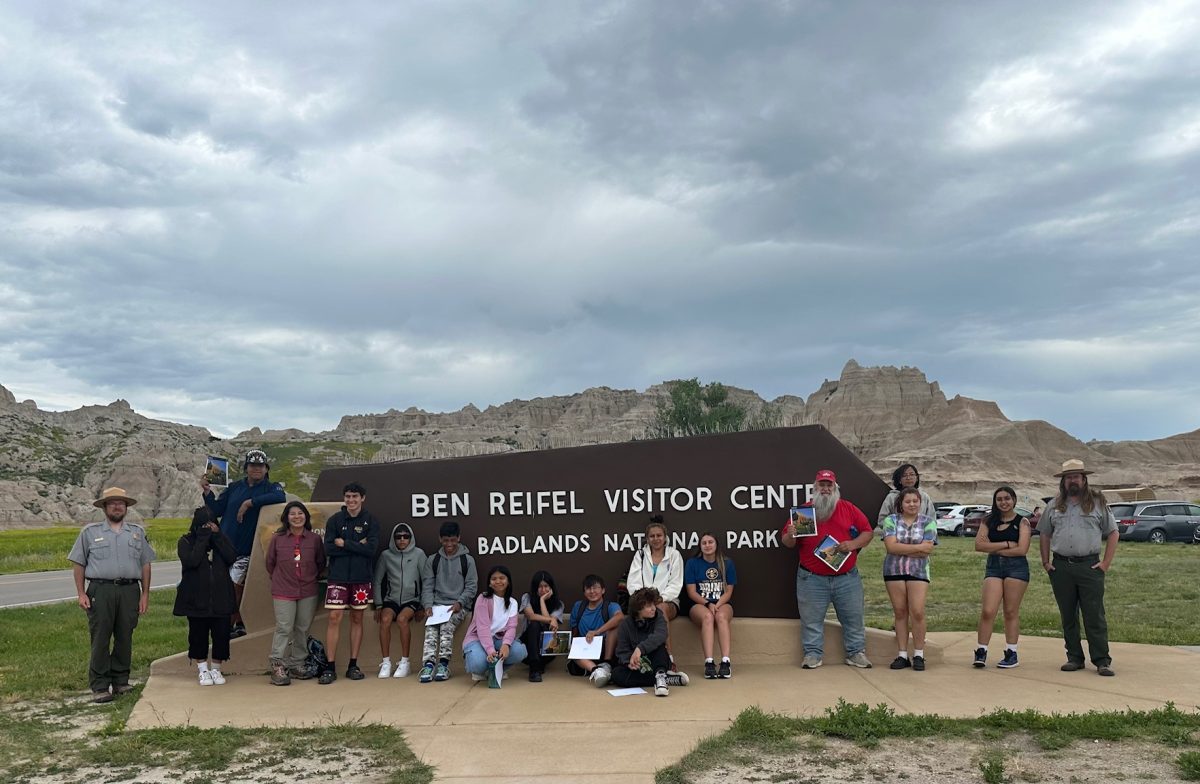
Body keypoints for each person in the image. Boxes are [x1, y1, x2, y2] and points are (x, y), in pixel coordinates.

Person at [68, 487, 156, 703]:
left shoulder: (136, 532)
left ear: (126, 507)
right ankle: (99, 685)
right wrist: (81, 593)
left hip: (129, 590)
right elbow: (79, 563)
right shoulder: (90, 532)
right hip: (101, 590)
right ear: (104, 507)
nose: (117, 506)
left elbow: (145, 564)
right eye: (112, 503)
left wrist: (145, 594)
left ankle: (120, 681)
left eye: (121, 503)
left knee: (125, 636)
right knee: (100, 637)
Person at [780, 469, 874, 670]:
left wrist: (853, 544)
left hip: (846, 577)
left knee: (854, 618)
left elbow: (868, 532)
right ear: (815, 488)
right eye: (821, 485)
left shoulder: (848, 508)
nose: (825, 489)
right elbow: (787, 543)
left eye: (829, 485)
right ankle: (812, 654)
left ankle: (856, 653)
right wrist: (791, 534)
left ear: (835, 488)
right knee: (811, 620)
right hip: (811, 578)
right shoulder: (804, 512)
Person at [1039, 459, 1119, 676]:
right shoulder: (1054, 505)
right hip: (1061, 567)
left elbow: (1113, 533)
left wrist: (1105, 563)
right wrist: (1046, 562)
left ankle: (1102, 660)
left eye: (1076, 476)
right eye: (1068, 477)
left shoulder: (1098, 503)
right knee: (1068, 615)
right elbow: (1044, 533)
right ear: (1063, 482)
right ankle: (1074, 657)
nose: (1072, 480)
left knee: (1094, 614)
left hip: (1089, 567)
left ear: (1084, 480)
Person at [200, 449, 285, 638]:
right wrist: (207, 492)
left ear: (266, 469)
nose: (256, 469)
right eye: (252, 465)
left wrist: (249, 503)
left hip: (247, 550)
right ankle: (233, 625)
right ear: (246, 468)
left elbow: (280, 497)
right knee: (220, 589)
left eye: (260, 466)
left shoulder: (272, 487)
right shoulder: (235, 487)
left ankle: (228, 628)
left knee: (234, 589)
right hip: (224, 547)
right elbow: (217, 509)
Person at [319, 482, 380, 685]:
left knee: (357, 618)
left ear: (362, 498)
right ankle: (330, 666)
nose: (351, 500)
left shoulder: (370, 520)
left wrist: (344, 543)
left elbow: (371, 549)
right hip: (338, 577)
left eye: (355, 496)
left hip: (361, 578)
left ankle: (353, 665)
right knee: (334, 618)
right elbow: (329, 549)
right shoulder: (335, 520)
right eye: (348, 497)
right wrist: (357, 545)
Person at [174, 506, 237, 685]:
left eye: (211, 524)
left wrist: (217, 536)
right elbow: (191, 561)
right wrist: (201, 539)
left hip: (221, 596)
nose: (207, 528)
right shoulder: (185, 541)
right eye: (203, 525)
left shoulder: (220, 539)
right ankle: (202, 668)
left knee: (222, 634)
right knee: (198, 634)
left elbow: (231, 556)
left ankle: (216, 668)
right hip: (196, 597)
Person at [265, 500, 326, 685]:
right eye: (293, 514)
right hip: (284, 590)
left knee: (302, 628)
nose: (297, 517)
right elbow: (270, 563)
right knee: (284, 627)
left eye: (300, 513)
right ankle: (277, 665)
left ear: (306, 517)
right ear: (286, 518)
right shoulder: (278, 538)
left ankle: (297, 663)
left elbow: (321, 562)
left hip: (308, 590)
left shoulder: (314, 539)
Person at [973, 486, 1031, 669]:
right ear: (995, 502)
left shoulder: (1023, 522)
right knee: (988, 610)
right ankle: (981, 650)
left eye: (1007, 498)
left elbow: (1022, 549)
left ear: (1014, 500)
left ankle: (1011, 652)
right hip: (994, 568)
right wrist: (1006, 544)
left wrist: (994, 547)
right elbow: (979, 545)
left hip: (1017, 569)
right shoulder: (988, 520)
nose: (1003, 502)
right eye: (999, 499)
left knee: (1010, 611)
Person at [881, 488, 936, 671]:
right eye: (908, 501)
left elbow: (928, 549)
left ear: (920, 502)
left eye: (915, 501)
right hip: (894, 571)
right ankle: (902, 654)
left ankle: (919, 653)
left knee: (917, 611)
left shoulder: (928, 522)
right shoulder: (891, 520)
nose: (912, 504)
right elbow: (890, 547)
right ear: (901, 504)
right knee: (900, 611)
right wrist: (916, 548)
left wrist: (900, 546)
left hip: (918, 572)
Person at [419, 520, 478, 683]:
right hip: (437, 606)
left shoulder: (467, 560)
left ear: (458, 538)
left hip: (458, 606)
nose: (449, 544)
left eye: (452, 540)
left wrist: (460, 602)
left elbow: (471, 587)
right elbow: (428, 585)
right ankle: (428, 665)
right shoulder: (433, 560)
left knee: (446, 627)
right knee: (430, 630)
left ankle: (444, 665)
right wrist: (428, 605)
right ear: (440, 539)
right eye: (446, 540)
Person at [625, 514, 684, 669]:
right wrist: (645, 601)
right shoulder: (640, 555)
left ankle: (668, 658)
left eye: (659, 535)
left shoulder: (674, 555)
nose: (656, 539)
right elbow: (633, 582)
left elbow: (676, 584)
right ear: (647, 539)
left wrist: (659, 599)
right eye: (652, 536)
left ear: (665, 538)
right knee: (649, 610)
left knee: (660, 609)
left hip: (668, 601)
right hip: (643, 602)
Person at [612, 587, 689, 697]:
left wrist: (640, 649)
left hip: (657, 661)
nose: (653, 608)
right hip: (639, 666)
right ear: (638, 609)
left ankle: (661, 677)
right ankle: (665, 679)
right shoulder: (626, 624)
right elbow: (622, 650)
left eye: (654, 604)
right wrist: (629, 662)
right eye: (649, 606)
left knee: (660, 647)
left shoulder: (659, 617)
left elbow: (661, 635)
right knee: (616, 675)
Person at [373, 522, 427, 679]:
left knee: (403, 619)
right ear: (394, 539)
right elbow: (377, 580)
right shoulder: (386, 555)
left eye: (405, 537)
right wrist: (378, 603)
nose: (402, 540)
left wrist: (422, 605)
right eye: (398, 537)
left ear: (411, 538)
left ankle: (405, 662)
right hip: (391, 599)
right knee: (385, 619)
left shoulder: (419, 554)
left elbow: (426, 580)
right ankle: (386, 662)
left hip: (412, 599)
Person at [463, 565, 528, 681]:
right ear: (489, 583)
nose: (498, 581)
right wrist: (490, 651)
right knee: (478, 663)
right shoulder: (483, 598)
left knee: (520, 651)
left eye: (502, 578)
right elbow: (483, 628)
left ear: (508, 582)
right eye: (494, 579)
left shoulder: (513, 603)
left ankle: (497, 669)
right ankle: (482, 670)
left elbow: (511, 627)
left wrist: (506, 645)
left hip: (498, 640)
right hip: (477, 638)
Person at [684, 532, 736, 679]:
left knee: (721, 616)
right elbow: (692, 592)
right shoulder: (692, 563)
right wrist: (708, 604)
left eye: (710, 542)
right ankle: (709, 663)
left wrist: (716, 604)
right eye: (704, 543)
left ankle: (725, 662)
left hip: (722, 603)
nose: (707, 545)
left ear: (716, 544)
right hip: (699, 605)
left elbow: (728, 591)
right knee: (707, 617)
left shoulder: (727, 563)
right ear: (700, 546)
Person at [567, 574, 625, 687]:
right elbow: (574, 629)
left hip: (605, 649)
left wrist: (597, 631)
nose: (592, 591)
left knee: (614, 628)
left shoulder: (610, 606)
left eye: (596, 588)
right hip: (586, 649)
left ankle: (606, 666)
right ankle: (596, 671)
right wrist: (572, 645)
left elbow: (620, 617)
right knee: (574, 650)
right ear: (584, 592)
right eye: (588, 588)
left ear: (603, 590)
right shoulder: (578, 606)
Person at [519, 570, 564, 682]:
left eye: (546, 586)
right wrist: (550, 619)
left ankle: (537, 666)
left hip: (548, 650)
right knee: (534, 625)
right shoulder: (527, 597)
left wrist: (542, 601)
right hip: (527, 649)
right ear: (535, 588)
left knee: (541, 626)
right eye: (540, 587)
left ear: (551, 587)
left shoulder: (559, 604)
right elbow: (531, 616)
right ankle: (534, 668)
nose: (543, 590)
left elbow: (547, 626)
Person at [876, 463, 937, 534]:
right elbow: (882, 520)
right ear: (899, 480)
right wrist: (897, 529)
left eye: (911, 474)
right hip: (896, 538)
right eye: (904, 475)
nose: (908, 478)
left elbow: (932, 519)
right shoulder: (892, 497)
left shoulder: (924, 496)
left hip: (920, 537)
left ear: (917, 478)